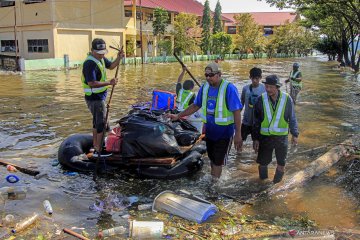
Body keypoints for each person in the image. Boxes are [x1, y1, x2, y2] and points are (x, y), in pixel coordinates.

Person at [167, 63, 243, 179]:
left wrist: (238, 134)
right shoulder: (205, 87)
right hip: (210, 131)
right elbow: (195, 106)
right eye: (206, 75)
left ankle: (214, 187)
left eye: (211, 75)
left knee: (218, 161)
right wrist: (178, 116)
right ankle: (215, 179)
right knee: (212, 159)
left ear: (219, 74)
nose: (208, 78)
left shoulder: (229, 89)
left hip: (225, 133)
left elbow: (236, 112)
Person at [253, 75, 299, 184]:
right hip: (265, 137)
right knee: (263, 163)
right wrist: (255, 139)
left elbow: (292, 118)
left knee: (281, 164)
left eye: (271, 87)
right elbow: (256, 121)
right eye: (266, 86)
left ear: (277, 87)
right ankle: (263, 183)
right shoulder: (260, 99)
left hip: (281, 138)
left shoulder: (287, 99)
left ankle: (276, 185)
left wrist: (295, 134)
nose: (268, 89)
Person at [81, 38, 124, 153]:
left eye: (103, 53)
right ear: (92, 50)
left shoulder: (100, 58)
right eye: (99, 53)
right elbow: (92, 83)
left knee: (97, 122)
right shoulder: (89, 63)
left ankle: (96, 145)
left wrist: (119, 57)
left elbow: (111, 66)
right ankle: (99, 149)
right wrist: (109, 83)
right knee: (101, 123)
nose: (101, 56)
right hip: (94, 98)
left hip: (100, 96)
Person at [240, 67, 266, 142]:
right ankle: (239, 154)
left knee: (257, 143)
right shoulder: (245, 89)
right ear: (250, 77)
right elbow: (242, 103)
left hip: (258, 122)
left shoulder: (264, 89)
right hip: (246, 120)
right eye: (253, 78)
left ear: (260, 78)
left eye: (257, 78)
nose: (254, 80)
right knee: (240, 140)